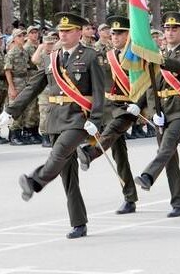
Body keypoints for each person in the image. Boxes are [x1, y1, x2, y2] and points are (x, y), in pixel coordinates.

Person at [0, 12, 105, 239]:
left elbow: (98, 92)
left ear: (78, 32)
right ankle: (79, 223)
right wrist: (10, 111)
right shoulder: (51, 58)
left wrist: (96, 119)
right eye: (60, 31)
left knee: (59, 153)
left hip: (78, 118)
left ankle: (35, 181)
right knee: (68, 174)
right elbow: (33, 87)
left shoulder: (91, 57)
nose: (62, 35)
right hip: (55, 118)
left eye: (67, 31)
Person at [133, 12, 180, 218]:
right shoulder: (159, 53)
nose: (169, 32)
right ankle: (179, 204)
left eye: (174, 29)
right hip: (161, 110)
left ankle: (148, 175)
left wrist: (161, 60)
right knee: (170, 158)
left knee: (167, 146)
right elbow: (152, 85)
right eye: (167, 29)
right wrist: (140, 106)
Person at [77, 16, 139, 215]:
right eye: (112, 33)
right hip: (109, 108)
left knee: (166, 149)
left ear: (129, 34)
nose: (114, 36)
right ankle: (130, 197)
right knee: (119, 154)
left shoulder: (138, 54)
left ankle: (91, 152)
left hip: (131, 106)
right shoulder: (104, 54)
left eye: (119, 33)